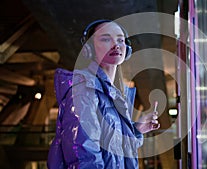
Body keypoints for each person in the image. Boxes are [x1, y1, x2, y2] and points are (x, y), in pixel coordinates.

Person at [47, 20, 160, 169]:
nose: (116, 44)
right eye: (106, 39)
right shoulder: (84, 90)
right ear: (89, 49)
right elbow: (83, 155)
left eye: (120, 40)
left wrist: (136, 129)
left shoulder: (111, 93)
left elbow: (115, 150)